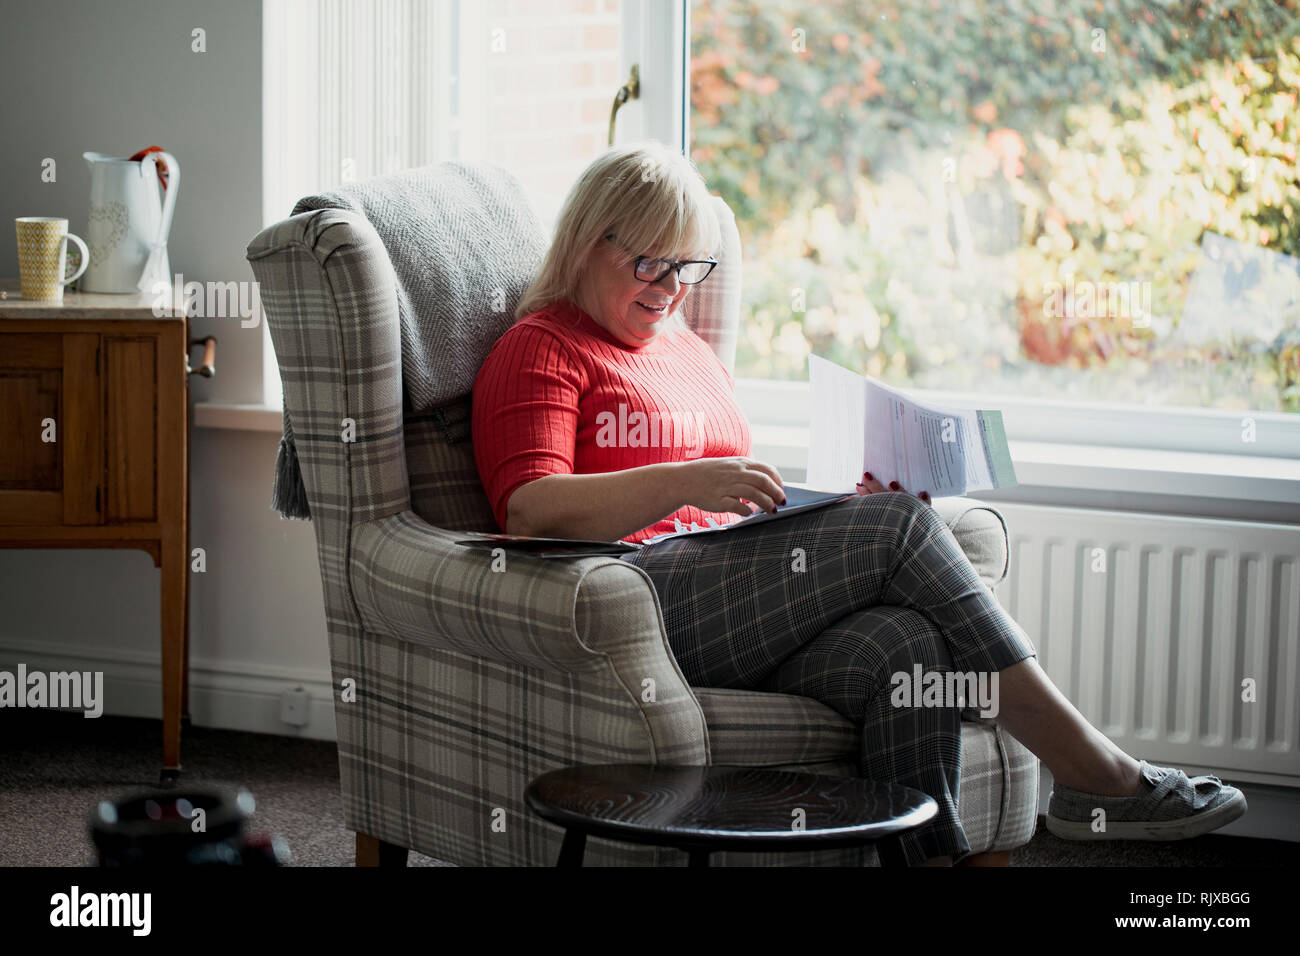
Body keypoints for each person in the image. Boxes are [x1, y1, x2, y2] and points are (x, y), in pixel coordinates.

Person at [470, 140, 1247, 865]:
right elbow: (532, 511)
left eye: (687, 267)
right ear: (587, 243)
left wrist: (834, 510)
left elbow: (733, 507)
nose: (671, 288)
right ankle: (1094, 770)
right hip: (635, 601)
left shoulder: (686, 351)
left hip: (729, 594)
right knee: (899, 531)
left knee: (905, 646)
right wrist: (685, 481)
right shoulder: (543, 345)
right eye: (649, 262)